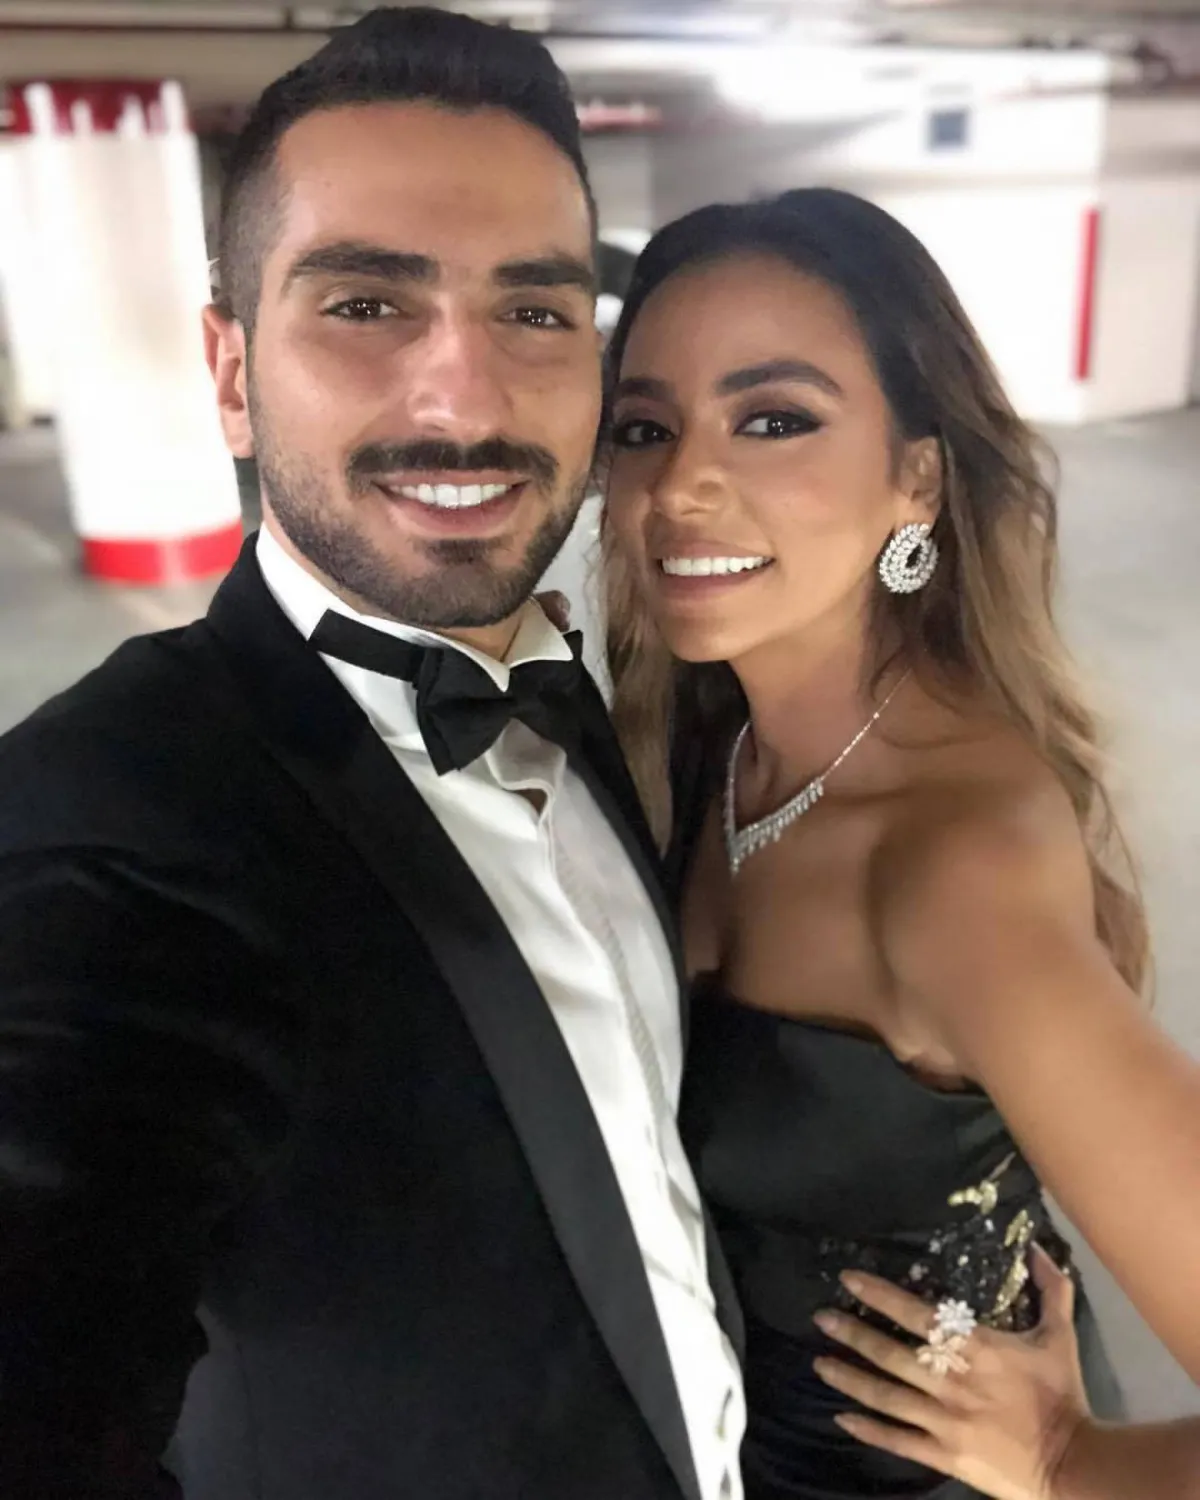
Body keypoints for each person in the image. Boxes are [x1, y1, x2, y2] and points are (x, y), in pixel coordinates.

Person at [0, 11, 745, 1499]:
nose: (465, 398)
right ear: (231, 375)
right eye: (364, 304)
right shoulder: (108, 824)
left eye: (535, 313)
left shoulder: (590, 685)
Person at [602, 188, 1200, 1500]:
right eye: (644, 427)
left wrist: (1069, 1462)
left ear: (916, 478)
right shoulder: (710, 747)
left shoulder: (953, 867)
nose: (681, 484)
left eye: (774, 419)